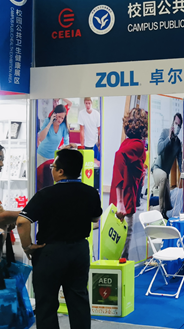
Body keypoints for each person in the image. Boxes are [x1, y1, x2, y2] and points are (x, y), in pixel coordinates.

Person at [16, 149, 102, 329]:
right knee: (78, 300)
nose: (52, 170)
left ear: (60, 171)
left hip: (50, 252)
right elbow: (95, 219)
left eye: (53, 167)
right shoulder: (90, 192)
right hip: (79, 251)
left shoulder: (45, 194)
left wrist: (28, 246)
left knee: (46, 304)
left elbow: (22, 221)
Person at [109, 107, 148, 260]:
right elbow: (119, 157)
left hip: (122, 198)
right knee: (123, 242)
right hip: (125, 201)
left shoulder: (127, 142)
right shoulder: (137, 145)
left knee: (116, 242)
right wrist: (120, 202)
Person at [152, 113, 183, 218]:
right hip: (157, 169)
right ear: (172, 123)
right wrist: (168, 138)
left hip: (165, 176)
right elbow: (159, 150)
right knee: (163, 176)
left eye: (179, 125)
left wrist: (183, 174)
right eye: (176, 123)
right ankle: (160, 213)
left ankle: (155, 206)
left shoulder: (178, 144)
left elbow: (180, 163)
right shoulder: (165, 132)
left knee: (168, 206)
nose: (177, 126)